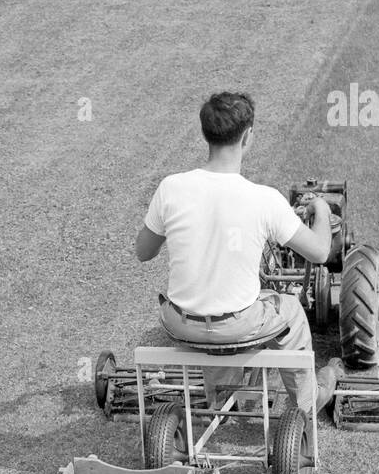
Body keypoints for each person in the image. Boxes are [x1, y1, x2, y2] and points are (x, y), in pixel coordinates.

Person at [135, 90, 343, 413]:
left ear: (206, 134)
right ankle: (308, 402)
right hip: (236, 326)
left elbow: (143, 251)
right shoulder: (264, 199)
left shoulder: (170, 188)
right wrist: (321, 209)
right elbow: (319, 252)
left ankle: (223, 397)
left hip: (179, 322)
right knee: (293, 312)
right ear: (247, 137)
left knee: (220, 310)